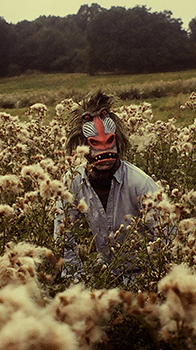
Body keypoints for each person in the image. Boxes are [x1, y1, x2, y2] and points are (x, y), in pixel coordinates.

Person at [54, 91, 161, 279]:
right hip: (105, 272)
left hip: (143, 275)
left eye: (109, 142)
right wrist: (76, 282)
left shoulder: (141, 184)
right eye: (94, 144)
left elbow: (166, 238)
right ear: (83, 148)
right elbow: (64, 235)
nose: (103, 151)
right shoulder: (72, 182)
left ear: (118, 143)